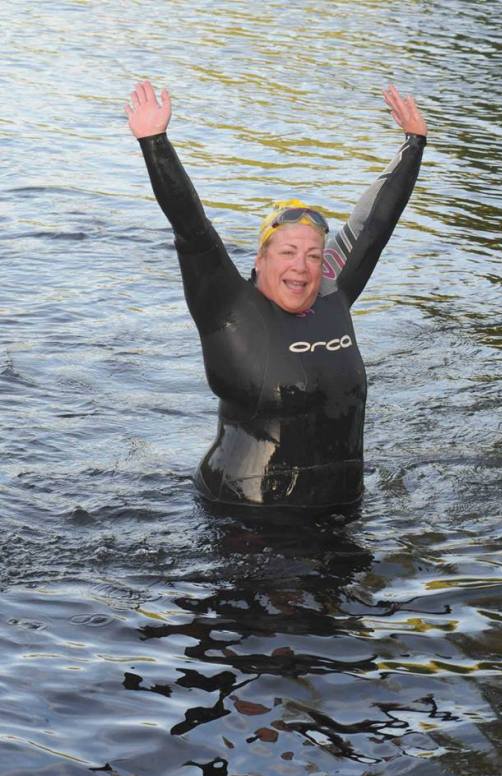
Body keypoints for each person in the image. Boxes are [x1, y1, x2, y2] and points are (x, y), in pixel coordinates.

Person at [125, 80, 427, 525]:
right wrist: (155, 142)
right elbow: (192, 227)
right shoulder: (227, 308)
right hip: (245, 523)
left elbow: (375, 224)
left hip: (343, 515)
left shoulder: (334, 294)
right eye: (287, 253)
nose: (302, 268)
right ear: (260, 260)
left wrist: (414, 143)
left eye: (312, 255)